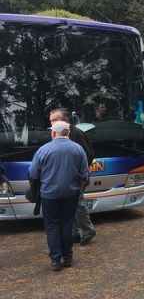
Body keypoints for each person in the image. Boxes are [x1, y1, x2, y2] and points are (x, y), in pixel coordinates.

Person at [29, 121, 89, 271]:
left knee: (52, 225)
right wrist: (78, 188)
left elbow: (33, 173)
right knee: (67, 224)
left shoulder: (43, 150)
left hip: (49, 194)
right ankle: (68, 257)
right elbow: (84, 174)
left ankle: (55, 259)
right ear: (68, 132)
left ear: (53, 133)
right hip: (71, 193)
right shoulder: (78, 149)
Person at [49, 108, 97, 245]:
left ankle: (88, 230)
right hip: (66, 177)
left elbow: (88, 155)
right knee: (70, 206)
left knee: (77, 204)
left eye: (55, 119)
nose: (52, 123)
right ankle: (74, 233)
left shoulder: (75, 134)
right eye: (51, 120)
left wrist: (82, 174)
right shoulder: (55, 134)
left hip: (77, 177)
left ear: (65, 120)